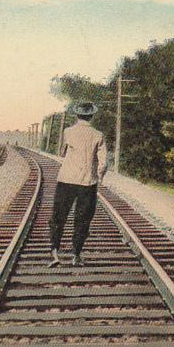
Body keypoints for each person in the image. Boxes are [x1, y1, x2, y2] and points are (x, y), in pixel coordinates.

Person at [48, 102, 107, 267]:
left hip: (66, 180)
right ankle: (76, 256)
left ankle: (55, 254)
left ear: (77, 115)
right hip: (87, 182)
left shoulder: (67, 132)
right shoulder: (98, 135)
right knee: (82, 220)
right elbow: (103, 163)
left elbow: (61, 152)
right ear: (92, 116)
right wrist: (99, 177)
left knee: (58, 217)